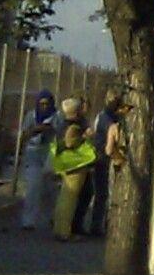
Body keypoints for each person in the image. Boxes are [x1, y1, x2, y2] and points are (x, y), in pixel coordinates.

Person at [79, 94, 125, 238]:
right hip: (102, 158)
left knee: (100, 193)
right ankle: (97, 225)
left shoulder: (105, 116)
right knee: (102, 193)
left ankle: (98, 224)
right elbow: (110, 145)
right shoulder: (108, 119)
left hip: (101, 156)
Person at [16, 90, 60, 232]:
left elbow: (61, 133)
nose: (44, 107)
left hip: (49, 152)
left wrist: (50, 129)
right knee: (33, 187)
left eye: (47, 104)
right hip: (33, 152)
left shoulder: (56, 116)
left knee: (50, 189)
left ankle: (54, 217)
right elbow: (24, 134)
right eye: (41, 104)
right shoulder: (31, 115)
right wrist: (35, 130)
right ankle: (28, 220)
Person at [50, 117, 95, 242]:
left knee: (64, 197)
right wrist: (86, 137)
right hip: (75, 165)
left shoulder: (61, 125)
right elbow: (70, 143)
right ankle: (64, 231)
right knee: (70, 199)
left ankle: (59, 228)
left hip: (66, 164)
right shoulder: (73, 127)